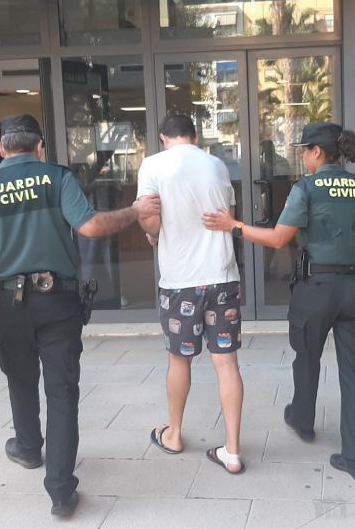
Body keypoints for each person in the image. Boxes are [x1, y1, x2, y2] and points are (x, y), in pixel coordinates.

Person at [0, 114, 161, 517]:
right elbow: (90, 227)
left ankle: (28, 448)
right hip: (57, 300)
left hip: (8, 304)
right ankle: (60, 491)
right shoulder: (57, 178)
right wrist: (134, 210)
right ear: (40, 147)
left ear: (2, 149)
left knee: (20, 378)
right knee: (61, 392)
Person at [203, 122, 355, 482]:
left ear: (317, 152)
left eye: (305, 150)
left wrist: (234, 226)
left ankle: (303, 420)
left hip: (316, 289)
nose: (304, 157)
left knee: (307, 356)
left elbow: (278, 239)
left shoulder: (305, 188)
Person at [136, 114, 246, 474]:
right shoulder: (217, 165)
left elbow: (149, 218)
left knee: (179, 360)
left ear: (163, 137)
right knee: (227, 363)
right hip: (223, 276)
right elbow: (229, 217)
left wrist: (153, 233)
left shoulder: (153, 165)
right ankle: (232, 451)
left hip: (180, 281)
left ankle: (174, 435)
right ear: (195, 137)